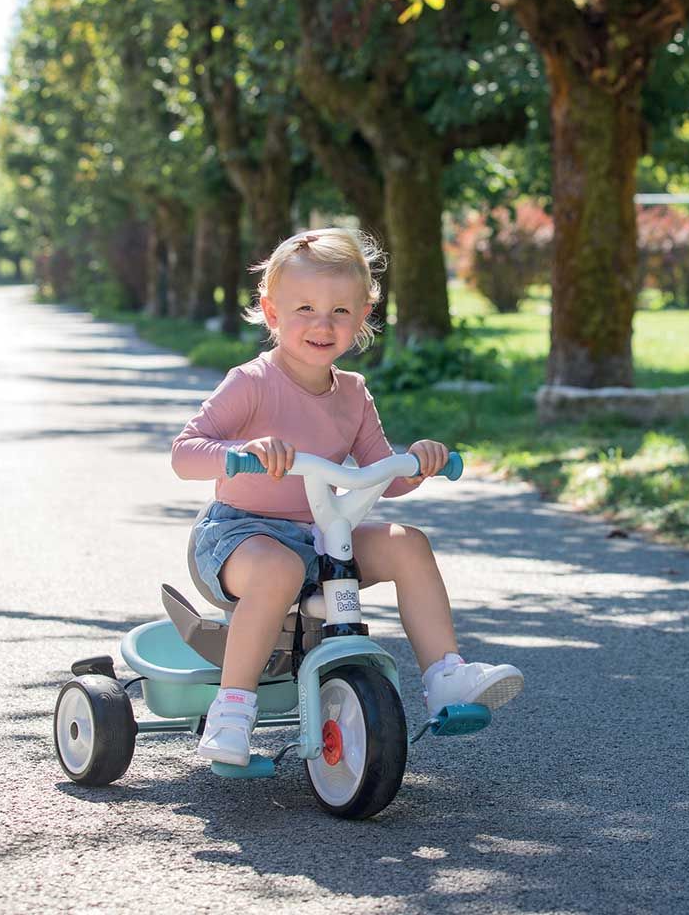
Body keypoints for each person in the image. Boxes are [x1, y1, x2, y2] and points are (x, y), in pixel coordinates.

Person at [171, 228, 523, 766]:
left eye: (339, 311)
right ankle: (234, 708)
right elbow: (184, 452)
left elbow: (387, 476)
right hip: (239, 536)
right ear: (271, 312)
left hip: (320, 533)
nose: (322, 323)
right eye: (305, 307)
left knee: (408, 543)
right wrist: (241, 450)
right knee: (278, 570)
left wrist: (419, 461)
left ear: (362, 318)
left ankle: (445, 676)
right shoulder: (251, 383)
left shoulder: (354, 392)